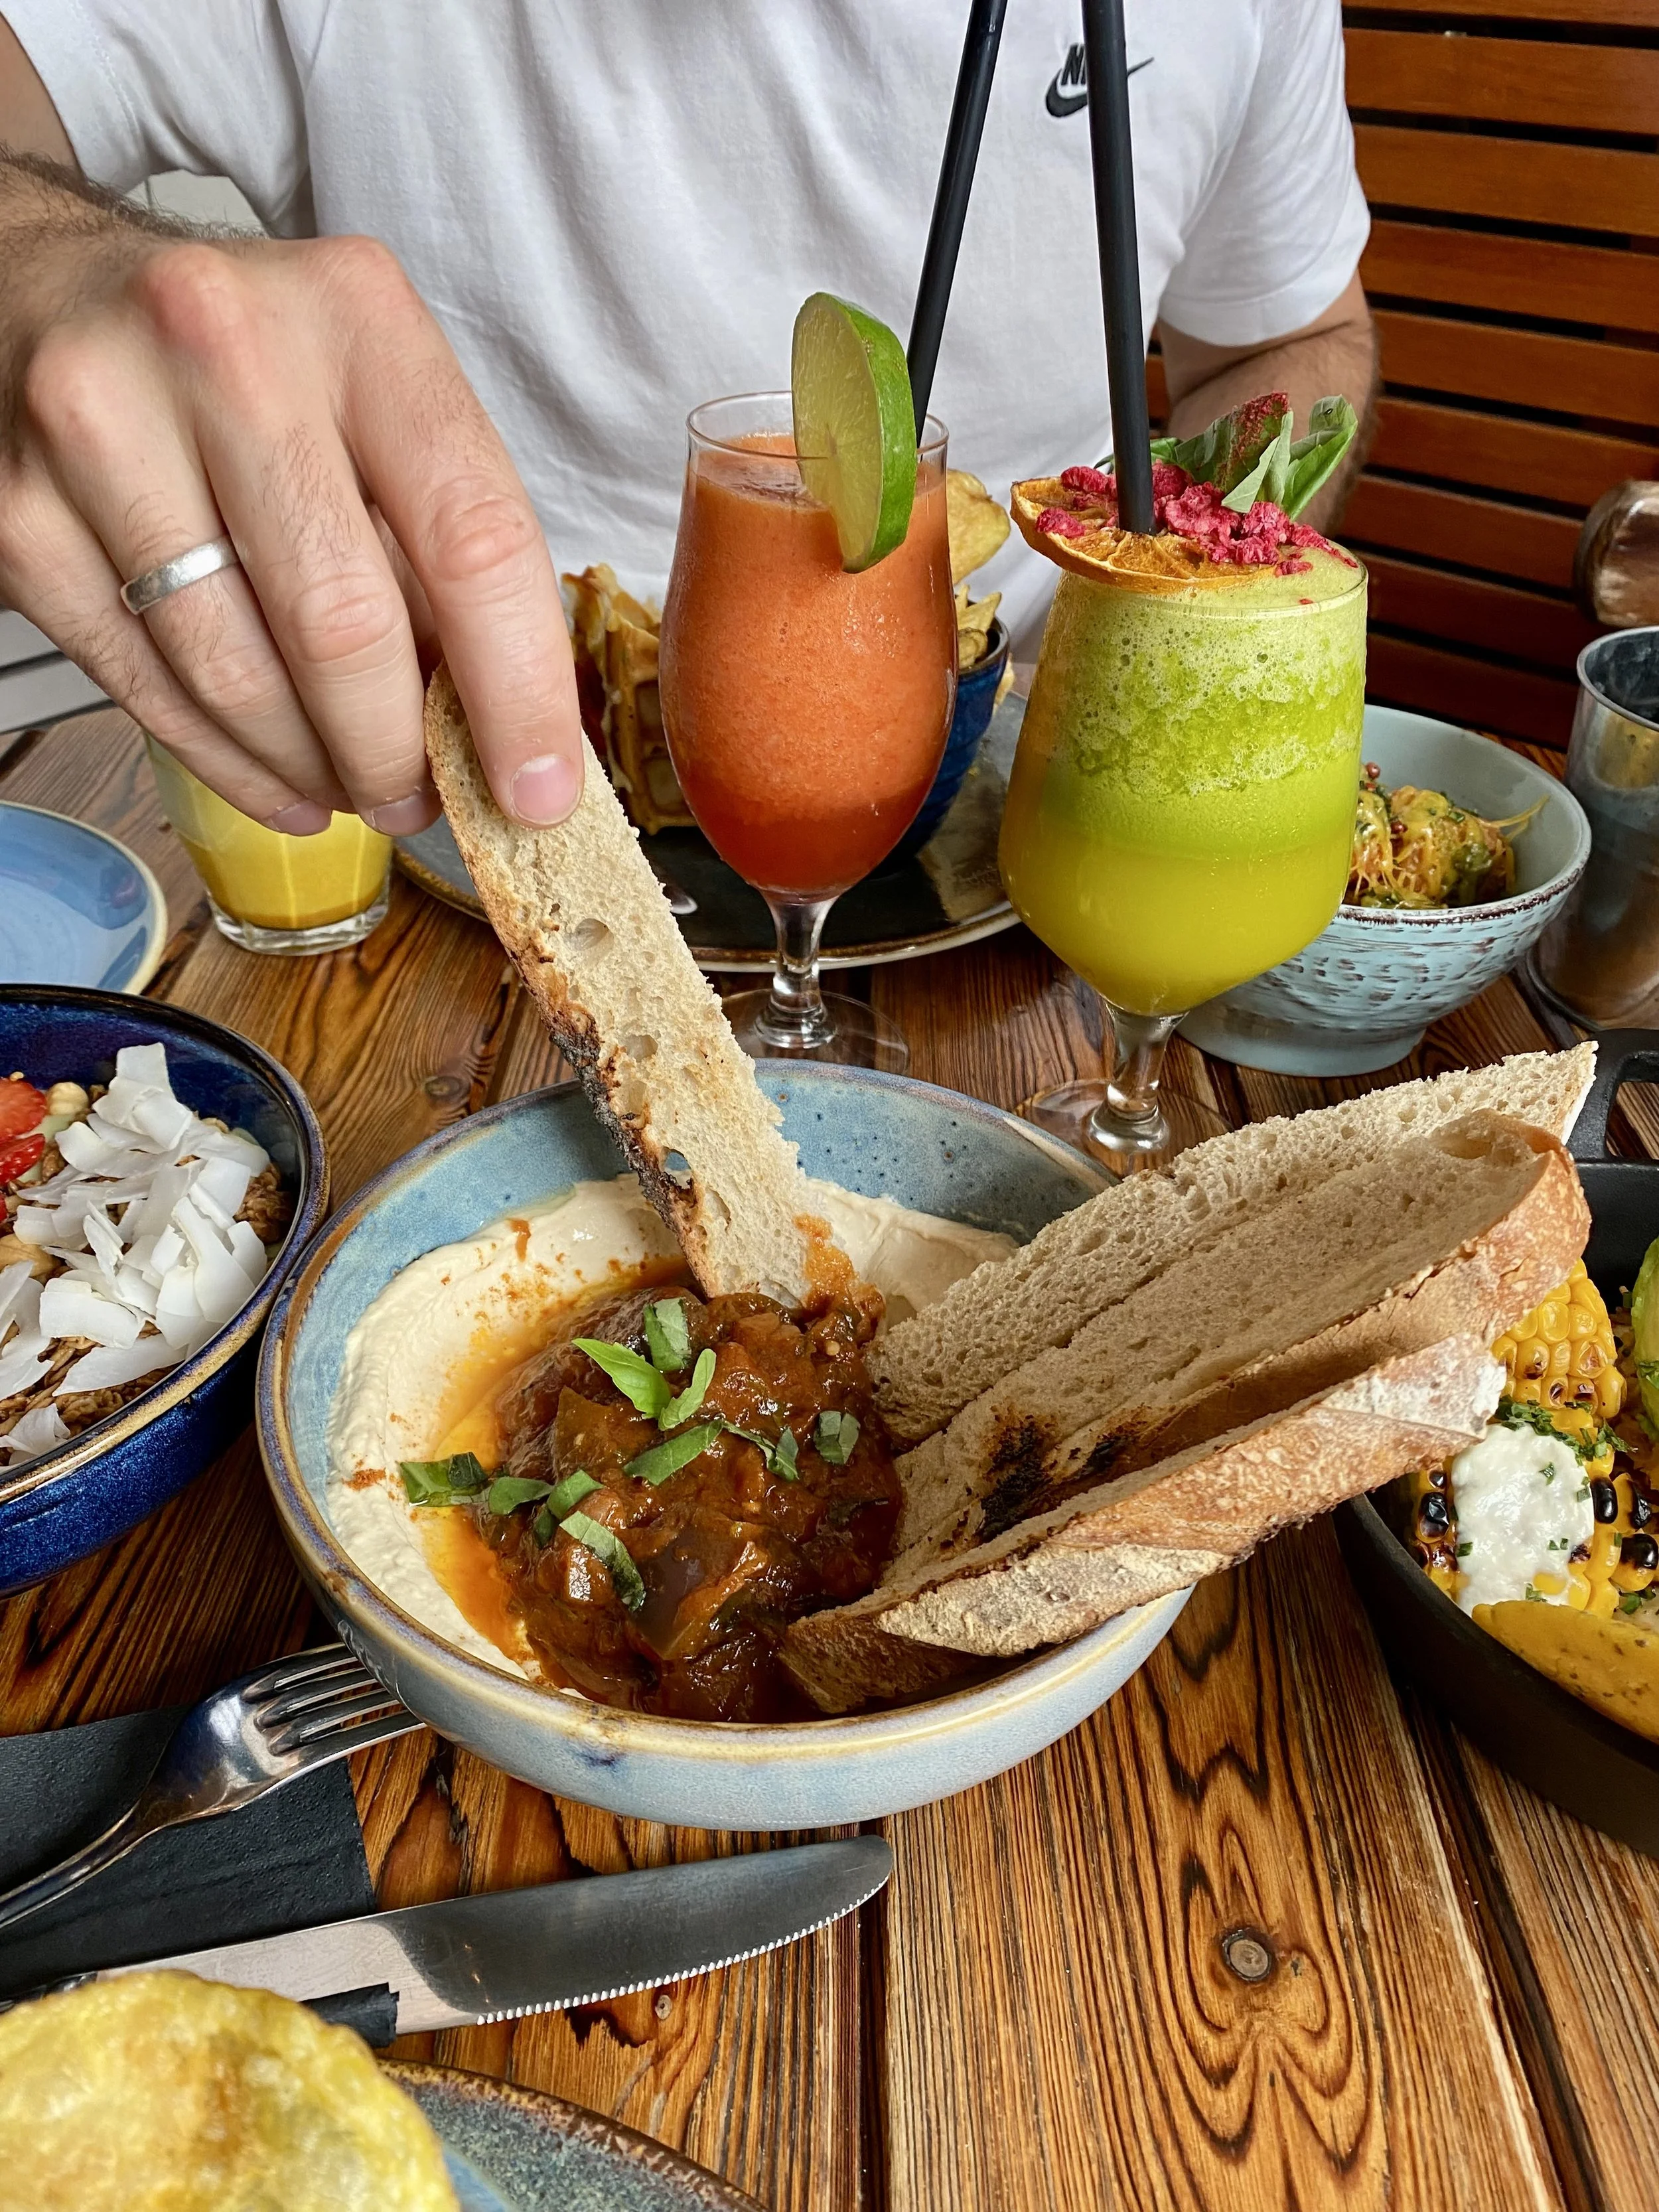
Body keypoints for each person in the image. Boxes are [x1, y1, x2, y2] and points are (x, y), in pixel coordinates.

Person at [0, 3, 1376, 840]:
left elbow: (1289, 340)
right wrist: (38, 265)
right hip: (452, 821)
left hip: (1037, 810)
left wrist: (1192, 582)